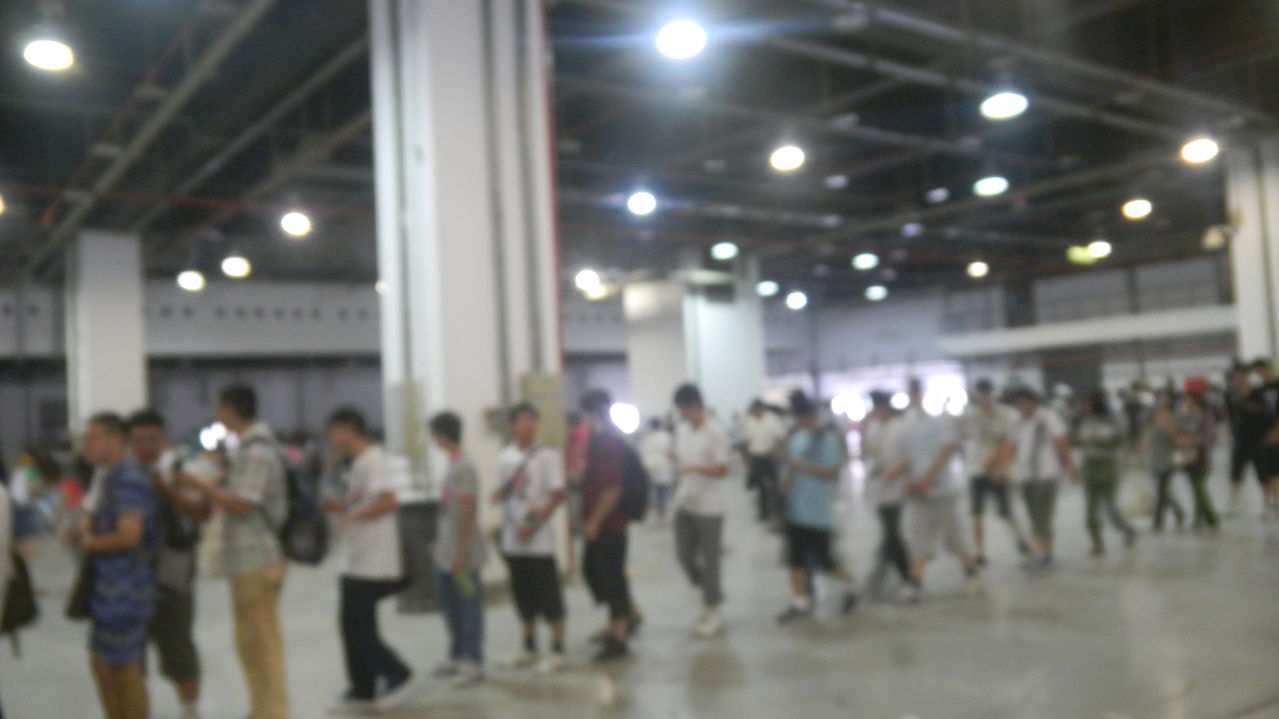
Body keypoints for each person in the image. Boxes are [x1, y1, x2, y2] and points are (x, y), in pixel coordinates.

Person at [180, 384, 289, 719]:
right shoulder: (244, 448)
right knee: (250, 644)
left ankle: (271, 713)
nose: (217, 416)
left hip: (258, 558)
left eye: (219, 409)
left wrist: (199, 484)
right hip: (246, 560)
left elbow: (242, 504)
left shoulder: (256, 451)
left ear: (230, 409)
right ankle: (261, 709)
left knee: (262, 644)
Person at [323, 407, 413, 713]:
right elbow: (364, 501)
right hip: (355, 557)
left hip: (372, 560)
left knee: (358, 628)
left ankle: (396, 672)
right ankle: (362, 688)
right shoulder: (359, 463)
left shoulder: (374, 459)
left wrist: (355, 515)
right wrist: (342, 507)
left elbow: (389, 502)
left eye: (334, 431)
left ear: (348, 429)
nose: (331, 438)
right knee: (352, 626)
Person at [75, 413, 160, 719]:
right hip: (109, 588)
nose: (87, 444)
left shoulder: (129, 479)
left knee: (123, 669)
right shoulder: (109, 476)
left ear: (116, 439)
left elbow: (129, 535)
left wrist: (90, 543)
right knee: (103, 664)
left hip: (125, 591)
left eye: (93, 437)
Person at [127, 411, 211, 719]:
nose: (146, 446)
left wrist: (168, 491)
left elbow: (202, 510)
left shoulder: (181, 468)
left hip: (172, 578)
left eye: (153, 439)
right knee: (130, 655)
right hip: (128, 579)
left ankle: (190, 710)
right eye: (138, 440)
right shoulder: (122, 472)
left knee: (178, 648)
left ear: (165, 439)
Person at [494, 402, 568, 675]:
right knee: (522, 595)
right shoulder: (505, 456)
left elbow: (557, 495)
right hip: (512, 537)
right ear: (512, 426)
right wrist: (499, 495)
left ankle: (558, 649)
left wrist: (534, 525)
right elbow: (505, 488)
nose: (528, 425)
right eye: (523, 420)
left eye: (532, 420)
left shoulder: (548, 455)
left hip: (539, 541)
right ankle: (528, 646)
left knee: (549, 594)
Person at [891, 380, 983, 596]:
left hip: (943, 490)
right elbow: (907, 457)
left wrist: (928, 478)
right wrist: (908, 480)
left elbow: (948, 449)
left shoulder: (939, 421)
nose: (913, 398)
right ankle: (915, 582)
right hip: (918, 492)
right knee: (919, 538)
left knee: (954, 536)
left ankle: (971, 573)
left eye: (915, 393)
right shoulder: (907, 425)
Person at [776, 391, 859, 621]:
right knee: (794, 558)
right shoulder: (797, 437)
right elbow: (791, 467)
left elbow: (832, 473)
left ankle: (851, 586)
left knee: (824, 561)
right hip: (796, 509)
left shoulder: (827, 439)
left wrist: (800, 465)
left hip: (818, 511)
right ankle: (800, 601)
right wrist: (785, 484)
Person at [579, 389, 641, 662]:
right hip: (603, 521)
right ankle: (628, 615)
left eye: (587, 413)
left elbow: (614, 488)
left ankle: (618, 636)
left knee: (611, 577)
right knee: (596, 571)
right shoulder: (598, 441)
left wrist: (594, 521)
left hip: (610, 522)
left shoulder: (608, 443)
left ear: (594, 413)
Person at [429, 411, 487, 687]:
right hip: (446, 553)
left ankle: (472, 661)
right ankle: (456, 655)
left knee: (468, 607)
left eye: (434, 434)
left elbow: (468, 509)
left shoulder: (464, 467)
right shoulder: (452, 465)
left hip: (463, 557)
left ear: (442, 436)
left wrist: (462, 552)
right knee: (451, 607)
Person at [670, 384, 732, 638]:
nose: (682, 415)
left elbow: (722, 469)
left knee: (710, 559)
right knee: (683, 554)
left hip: (710, 506)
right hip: (685, 501)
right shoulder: (682, 430)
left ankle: (712, 611)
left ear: (695, 405)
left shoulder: (716, 432)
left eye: (684, 409)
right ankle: (710, 589)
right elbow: (682, 459)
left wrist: (695, 468)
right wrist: (675, 459)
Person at [1006, 388, 1080, 570]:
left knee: (1043, 516)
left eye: (1024, 403)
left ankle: (1040, 553)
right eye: (1018, 404)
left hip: (1046, 474)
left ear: (1033, 402)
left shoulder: (1047, 417)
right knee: (1034, 515)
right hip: (1026, 475)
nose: (1021, 407)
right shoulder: (1017, 421)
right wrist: (1002, 466)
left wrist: (1070, 467)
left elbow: (1061, 442)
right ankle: (1046, 551)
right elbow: (1012, 446)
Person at [961, 379, 1029, 564]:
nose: (985, 398)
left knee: (1006, 511)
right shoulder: (969, 416)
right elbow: (962, 439)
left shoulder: (1006, 414)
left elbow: (1010, 444)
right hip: (976, 470)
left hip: (998, 470)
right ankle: (979, 551)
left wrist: (1001, 468)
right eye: (981, 394)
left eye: (987, 394)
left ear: (993, 394)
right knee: (976, 513)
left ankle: (1021, 541)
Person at [860, 391, 915, 602]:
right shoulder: (874, 427)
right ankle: (883, 574)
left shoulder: (900, 427)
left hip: (896, 487)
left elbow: (910, 457)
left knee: (891, 533)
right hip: (879, 487)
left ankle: (906, 578)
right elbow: (867, 452)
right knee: (889, 533)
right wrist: (864, 426)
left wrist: (895, 473)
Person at [1073, 392, 1137, 556]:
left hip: (1108, 467)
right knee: (1090, 510)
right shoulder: (1084, 421)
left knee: (1110, 507)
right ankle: (1097, 543)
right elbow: (1074, 440)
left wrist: (1095, 440)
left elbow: (1118, 441)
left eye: (1086, 405)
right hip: (1089, 467)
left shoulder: (1111, 421)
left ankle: (1128, 530)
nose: (1084, 408)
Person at [1143, 390, 1186, 532]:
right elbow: (1148, 435)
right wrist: (1140, 453)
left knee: (1161, 492)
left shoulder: (1174, 417)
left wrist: (1168, 426)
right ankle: (1178, 512)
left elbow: (1177, 438)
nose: (1162, 401)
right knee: (1163, 491)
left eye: (1165, 399)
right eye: (1160, 399)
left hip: (1168, 460)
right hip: (1155, 458)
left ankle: (1157, 522)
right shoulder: (1153, 416)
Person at [1177, 388, 1220, 530]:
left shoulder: (1205, 417)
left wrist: (1194, 439)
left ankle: (1208, 517)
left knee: (1199, 487)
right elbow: (1178, 433)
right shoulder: (1184, 417)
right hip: (1188, 456)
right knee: (1195, 488)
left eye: (1188, 401)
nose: (1186, 403)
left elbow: (1210, 437)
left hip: (1202, 456)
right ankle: (1205, 518)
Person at [742, 400, 787, 523]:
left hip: (770, 457)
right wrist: (746, 458)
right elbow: (747, 441)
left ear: (761, 408)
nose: (755, 412)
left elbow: (781, 438)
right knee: (760, 487)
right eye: (753, 411)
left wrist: (781, 453)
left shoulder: (772, 419)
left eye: (756, 410)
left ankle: (778, 513)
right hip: (757, 458)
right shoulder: (750, 421)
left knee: (776, 485)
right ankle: (764, 513)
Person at [1249, 359, 1279, 517]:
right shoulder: (1259, 390)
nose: (1261, 374)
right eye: (1258, 372)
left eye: (1262, 370)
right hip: (1264, 436)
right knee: (1267, 470)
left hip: (1275, 434)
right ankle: (1270, 502)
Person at [638, 418, 675, 521]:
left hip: (650, 470)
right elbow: (670, 452)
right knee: (663, 493)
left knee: (652, 493)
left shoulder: (646, 438)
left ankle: (652, 513)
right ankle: (661, 513)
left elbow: (641, 453)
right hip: (664, 470)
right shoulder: (666, 437)